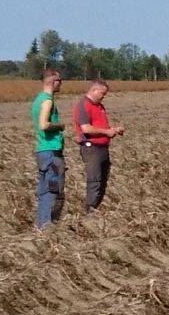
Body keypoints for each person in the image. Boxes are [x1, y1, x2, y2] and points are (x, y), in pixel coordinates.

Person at [72, 79, 124, 211]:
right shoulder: (83, 105)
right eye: (102, 93)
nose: (104, 96)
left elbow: (100, 126)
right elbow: (86, 128)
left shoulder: (99, 106)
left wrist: (114, 129)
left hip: (102, 148)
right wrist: (107, 132)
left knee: (102, 180)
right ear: (94, 90)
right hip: (92, 149)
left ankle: (96, 207)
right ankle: (90, 210)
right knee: (94, 180)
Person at [30, 66, 67, 228]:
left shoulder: (38, 99)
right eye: (60, 81)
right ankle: (46, 225)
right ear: (53, 82)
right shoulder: (47, 101)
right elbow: (44, 124)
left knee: (45, 190)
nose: (61, 84)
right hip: (51, 151)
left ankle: (42, 223)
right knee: (52, 190)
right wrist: (60, 125)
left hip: (43, 151)